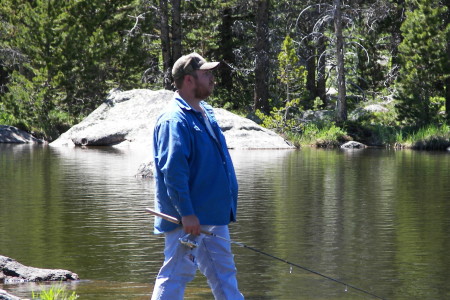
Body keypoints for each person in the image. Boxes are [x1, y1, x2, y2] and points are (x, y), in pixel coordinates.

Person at [151, 52, 244, 300]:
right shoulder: (174, 119)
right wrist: (187, 213)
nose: (212, 78)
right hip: (189, 218)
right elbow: (173, 171)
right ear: (189, 80)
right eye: (206, 74)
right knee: (176, 273)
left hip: (214, 214)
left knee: (224, 272)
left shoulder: (205, 113)